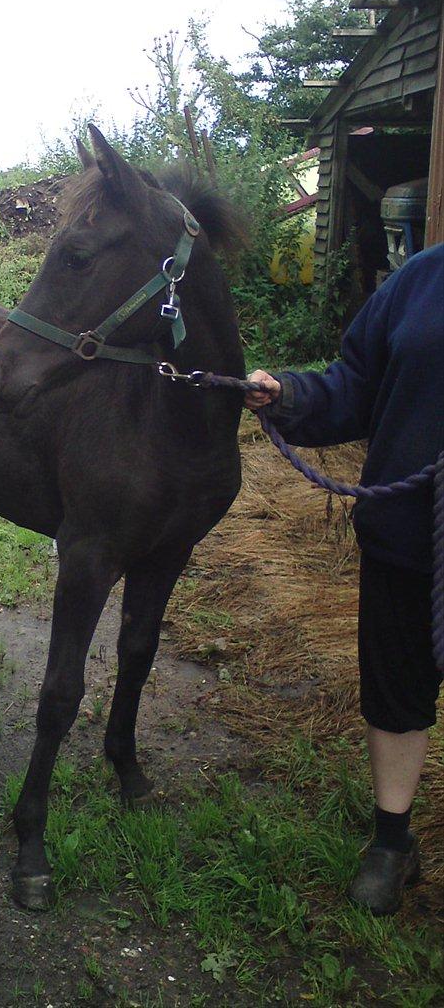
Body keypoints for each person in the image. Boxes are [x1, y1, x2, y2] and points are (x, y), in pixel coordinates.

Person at [244, 242, 443, 917]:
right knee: (395, 690)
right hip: (407, 535)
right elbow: (357, 380)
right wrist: (292, 393)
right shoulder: (422, 277)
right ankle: (391, 843)